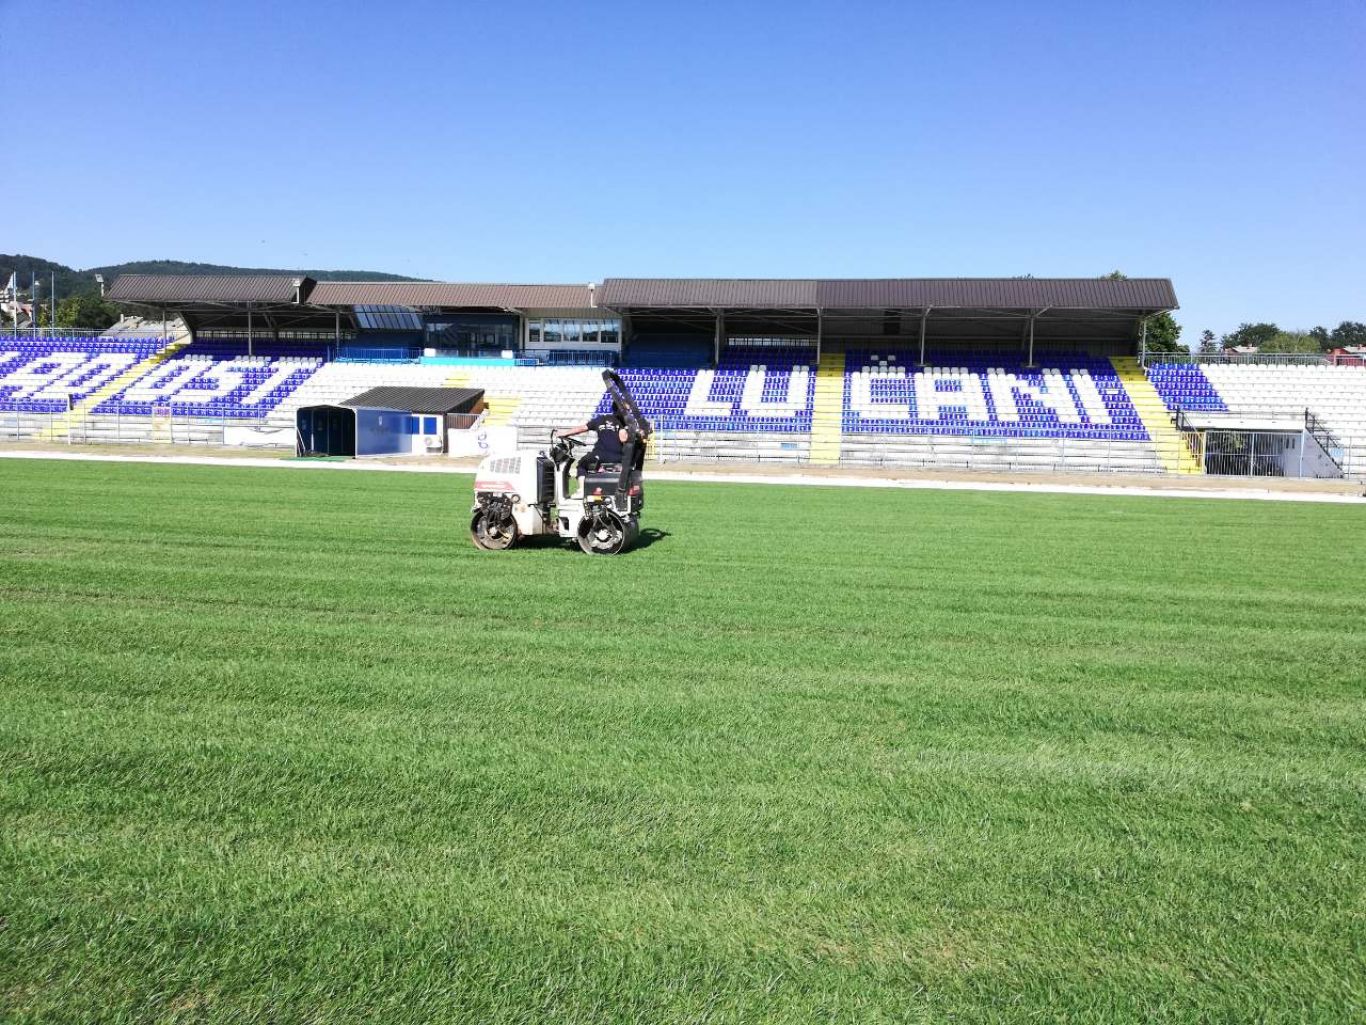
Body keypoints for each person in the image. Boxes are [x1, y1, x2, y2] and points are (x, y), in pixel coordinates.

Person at [555, 403, 630, 477]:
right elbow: (623, 439)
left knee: (582, 464)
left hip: (599, 454)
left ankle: (581, 488)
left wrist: (565, 433)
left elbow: (582, 428)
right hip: (617, 456)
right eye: (627, 410)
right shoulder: (624, 423)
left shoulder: (600, 419)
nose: (629, 413)